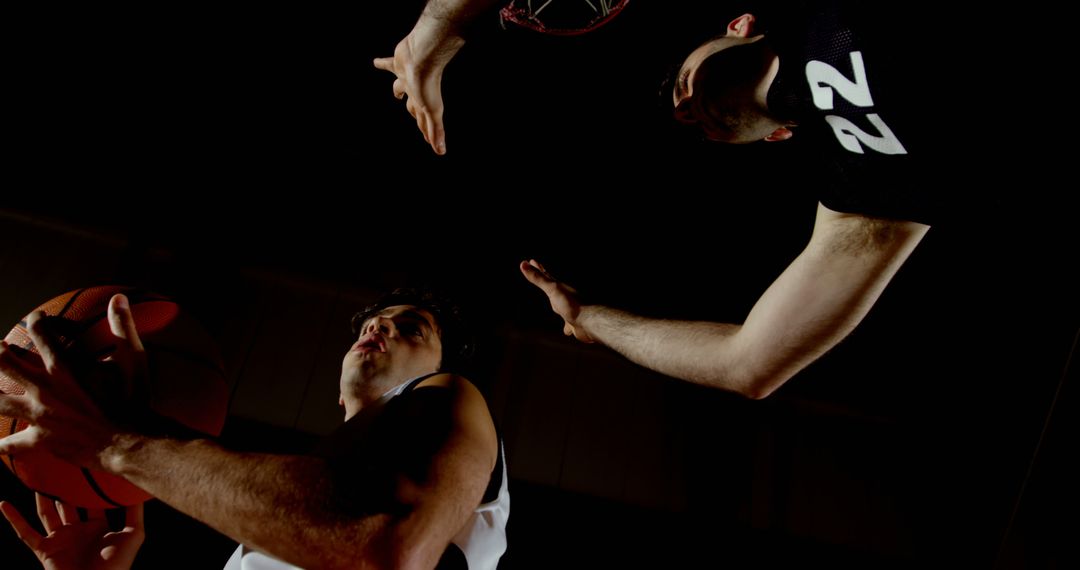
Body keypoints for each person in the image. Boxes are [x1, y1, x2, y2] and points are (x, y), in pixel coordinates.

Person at [377, 1, 932, 399]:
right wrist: (590, 318)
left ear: (739, 24)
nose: (683, 108)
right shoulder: (867, 184)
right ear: (775, 137)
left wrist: (438, 23)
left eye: (677, 82)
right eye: (687, 122)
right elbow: (749, 364)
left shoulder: (812, 17)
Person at [0, 288, 509, 569]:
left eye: (411, 328)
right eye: (371, 323)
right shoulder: (291, 512)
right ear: (336, 395)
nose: (379, 327)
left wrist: (115, 441)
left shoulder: (452, 396)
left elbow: (387, 550)